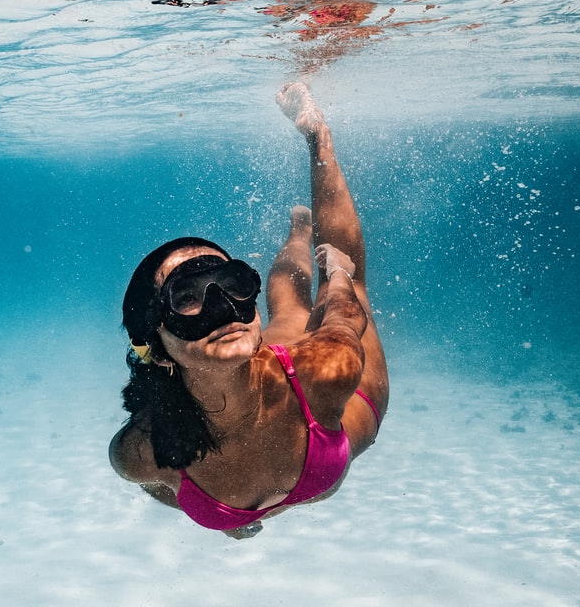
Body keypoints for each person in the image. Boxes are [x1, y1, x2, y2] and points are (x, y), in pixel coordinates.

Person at [109, 81, 389, 538]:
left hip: (316, 407)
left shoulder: (327, 370)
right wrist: (230, 518)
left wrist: (337, 273)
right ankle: (298, 231)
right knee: (292, 307)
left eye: (232, 285)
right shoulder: (140, 452)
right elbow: (164, 488)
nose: (222, 309)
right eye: (187, 298)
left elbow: (343, 316)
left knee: (338, 287)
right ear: (156, 347)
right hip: (280, 391)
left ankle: (317, 138)